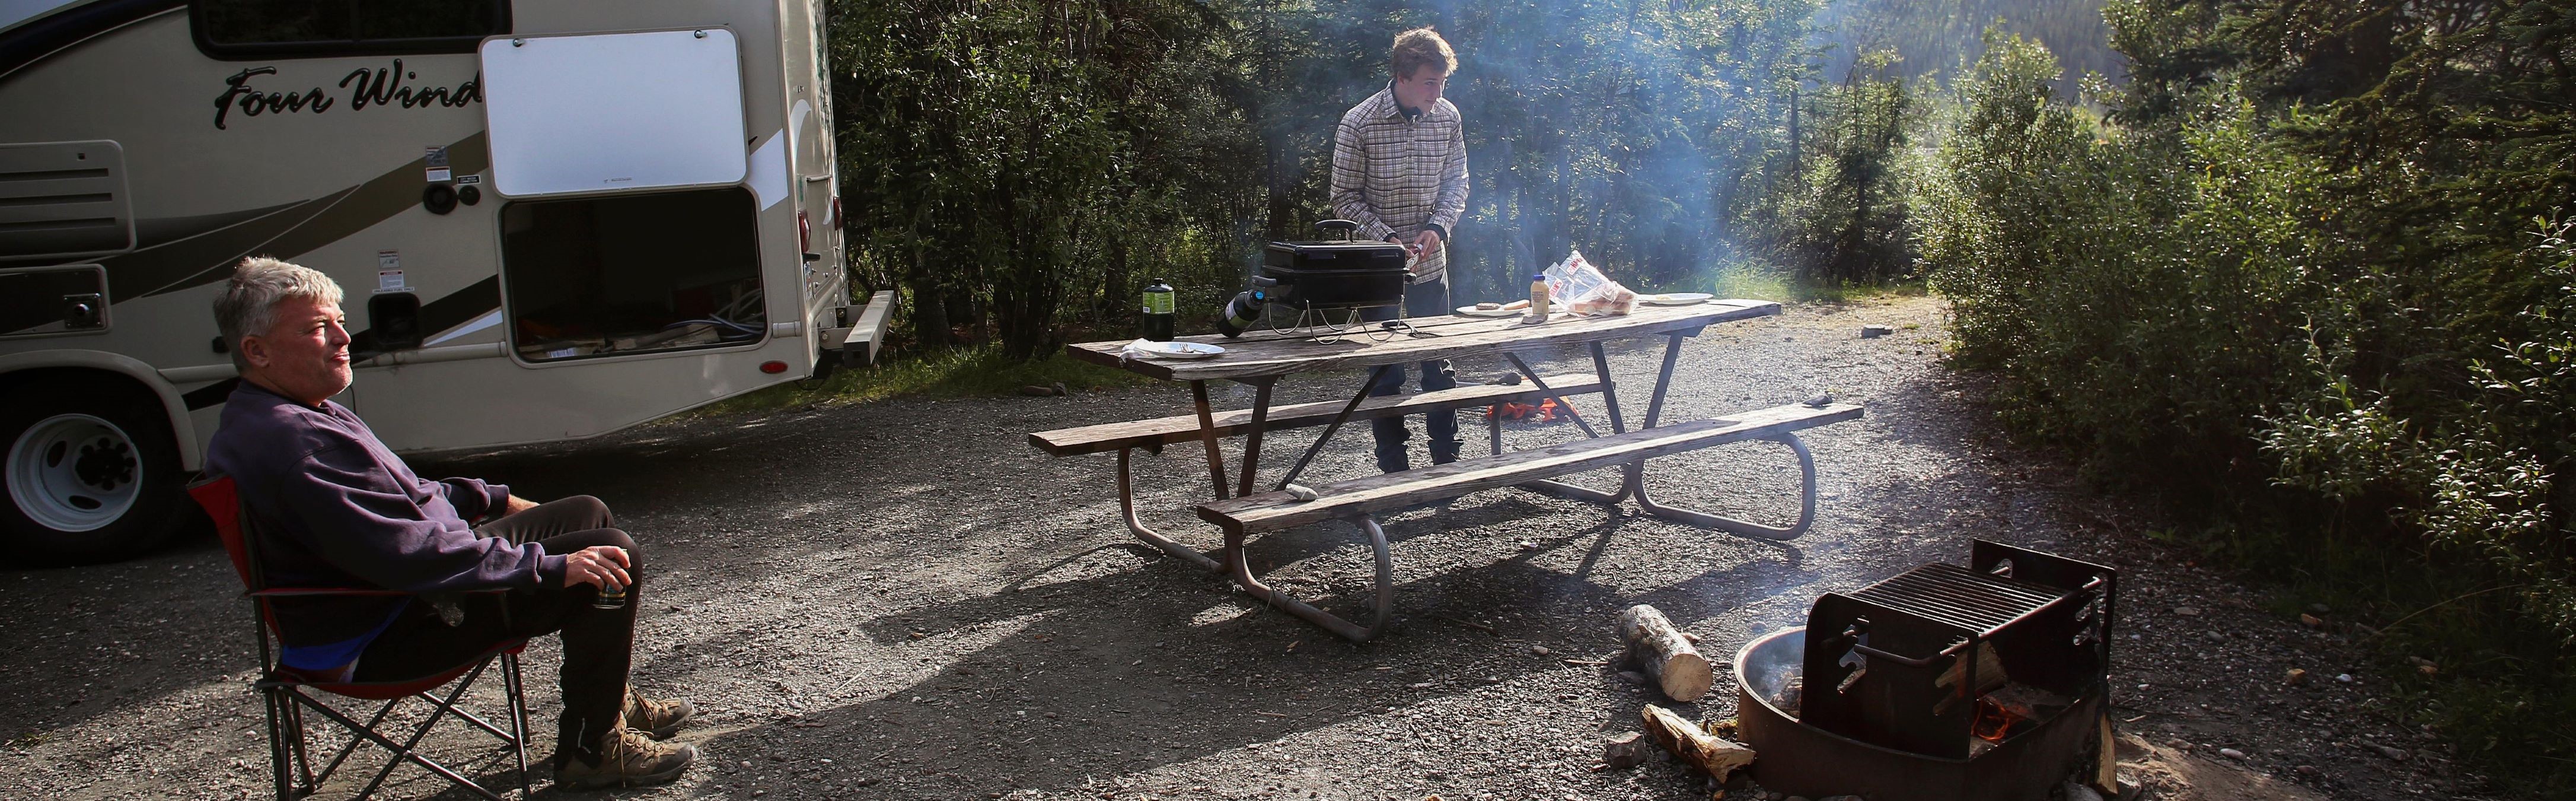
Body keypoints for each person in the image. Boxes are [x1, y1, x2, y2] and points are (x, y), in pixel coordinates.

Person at [203, 256, 697, 789]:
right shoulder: (296, 444)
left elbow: (408, 495)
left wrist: (494, 499)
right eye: (317, 329)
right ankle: (592, 749)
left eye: (340, 321)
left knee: (586, 511)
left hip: (413, 588)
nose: (344, 338)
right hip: (389, 630)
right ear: (257, 351)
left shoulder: (293, 411)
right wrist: (550, 567)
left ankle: (609, 700)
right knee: (614, 556)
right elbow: (406, 554)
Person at [1331, 26, 1471, 473]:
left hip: (1430, 260)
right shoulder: (1360, 122)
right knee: (1386, 368)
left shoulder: (1448, 117)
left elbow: (1457, 183)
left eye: (1443, 83)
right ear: (1402, 77)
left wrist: (1438, 228)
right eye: (1430, 83)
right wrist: (1386, 238)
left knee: (1437, 362)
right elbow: (1344, 198)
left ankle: (1447, 459)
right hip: (1379, 264)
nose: (1438, 93)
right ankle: (1393, 467)